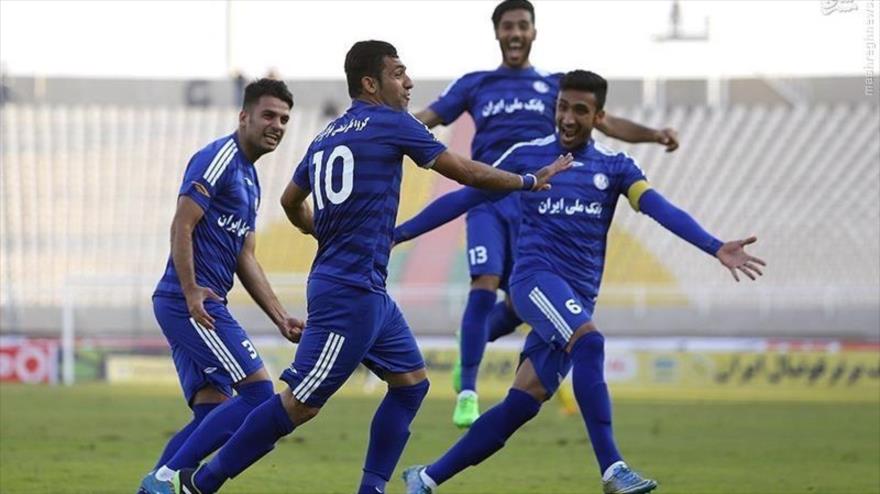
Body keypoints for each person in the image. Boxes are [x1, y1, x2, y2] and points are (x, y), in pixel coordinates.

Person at [167, 40, 573, 494]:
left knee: (411, 384)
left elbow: (289, 200)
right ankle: (201, 482)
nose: (409, 82)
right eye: (398, 73)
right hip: (348, 292)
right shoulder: (393, 123)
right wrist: (528, 180)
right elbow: (466, 172)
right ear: (370, 83)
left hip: (367, 289)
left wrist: (319, 229)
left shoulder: (326, 135)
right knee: (299, 403)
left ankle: (371, 490)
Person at [401, 70, 765, 494]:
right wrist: (400, 233)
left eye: (579, 110)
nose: (568, 118)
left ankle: (425, 478)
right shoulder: (527, 156)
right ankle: (613, 470)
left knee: (522, 403)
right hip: (534, 281)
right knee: (590, 342)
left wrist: (714, 246)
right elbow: (465, 196)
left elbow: (660, 209)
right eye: (562, 107)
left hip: (578, 297)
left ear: (598, 117)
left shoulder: (616, 167)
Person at [412, 0, 680, 428]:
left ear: (534, 32)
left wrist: (654, 135)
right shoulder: (476, 83)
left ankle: (474, 337)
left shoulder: (557, 88)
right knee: (484, 280)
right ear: (497, 33)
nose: (515, 33)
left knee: (521, 303)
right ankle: (467, 392)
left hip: (535, 204)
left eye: (523, 25)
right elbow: (427, 117)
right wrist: (389, 131)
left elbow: (608, 124)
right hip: (488, 198)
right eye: (508, 26)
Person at [137, 79, 304, 493]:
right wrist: (192, 290)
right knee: (259, 392)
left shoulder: (251, 180)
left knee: (211, 413)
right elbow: (182, 223)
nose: (277, 125)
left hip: (196, 301)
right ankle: (165, 479)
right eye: (268, 115)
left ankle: (152, 489)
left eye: (284, 119)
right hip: (191, 301)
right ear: (244, 117)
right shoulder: (218, 158)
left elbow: (245, 256)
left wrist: (280, 317)